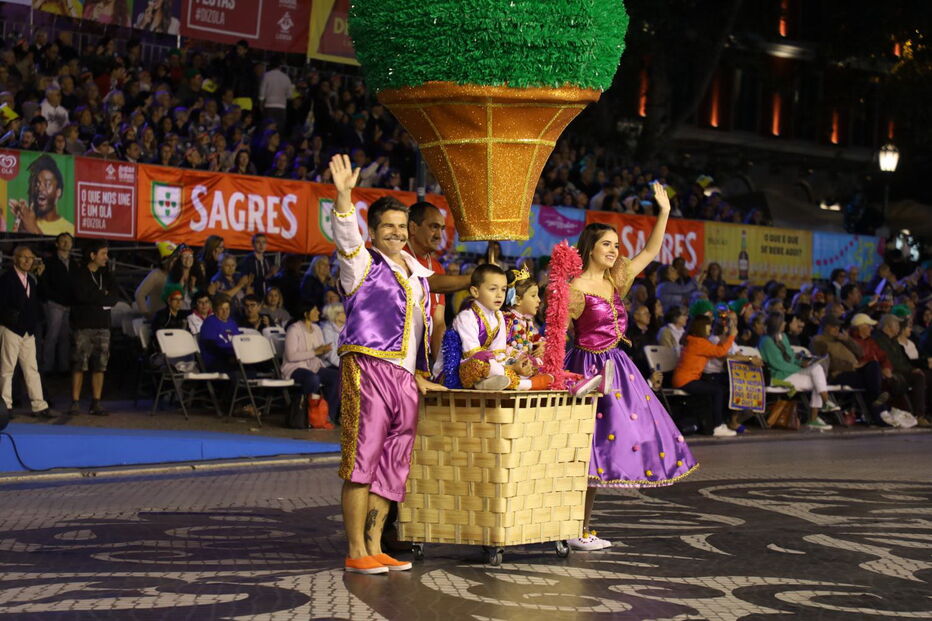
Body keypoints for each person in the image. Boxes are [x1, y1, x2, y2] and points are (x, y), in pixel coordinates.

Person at [563, 182, 698, 553]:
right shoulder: (574, 288)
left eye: (617, 245)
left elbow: (651, 251)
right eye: (607, 244)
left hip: (618, 369)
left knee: (603, 453)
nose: (615, 251)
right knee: (585, 451)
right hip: (587, 369)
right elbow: (558, 333)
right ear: (589, 247)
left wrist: (665, 211)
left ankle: (583, 527)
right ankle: (573, 526)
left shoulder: (615, 280)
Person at [328, 153, 445, 575]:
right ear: (373, 233)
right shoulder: (363, 265)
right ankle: (356, 548)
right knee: (363, 460)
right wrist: (344, 196)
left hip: (404, 376)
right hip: (369, 368)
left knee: (392, 464)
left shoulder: (416, 273)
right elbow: (345, 239)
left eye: (401, 226)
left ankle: (376, 545)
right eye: (387, 227)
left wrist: (419, 373)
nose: (395, 233)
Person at [452, 264, 550, 390]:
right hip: (462, 370)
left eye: (503, 290)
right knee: (482, 357)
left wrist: (514, 365)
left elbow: (499, 354)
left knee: (526, 362)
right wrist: (512, 368)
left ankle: (494, 383)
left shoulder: (498, 316)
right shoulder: (466, 317)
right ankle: (525, 384)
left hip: (494, 367)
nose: (499, 295)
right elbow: (473, 357)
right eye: (493, 289)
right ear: (475, 292)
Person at [405, 201, 470, 366]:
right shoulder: (399, 257)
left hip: (424, 359)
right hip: (398, 356)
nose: (439, 235)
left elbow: (438, 321)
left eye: (441, 228)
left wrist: (440, 365)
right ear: (413, 228)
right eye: (433, 227)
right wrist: (476, 279)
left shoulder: (437, 267)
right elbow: (430, 283)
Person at [758, 312, 839, 430]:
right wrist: (800, 368)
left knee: (817, 369)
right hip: (780, 375)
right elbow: (778, 364)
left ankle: (824, 405)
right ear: (777, 324)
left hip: (793, 371)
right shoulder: (766, 341)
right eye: (783, 322)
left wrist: (800, 363)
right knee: (818, 382)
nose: (785, 323)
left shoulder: (783, 337)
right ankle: (818, 412)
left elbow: (790, 356)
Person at [0, 246, 54, 418]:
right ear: (15, 259)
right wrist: (9, 320)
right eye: (23, 257)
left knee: (31, 369)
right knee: (7, 369)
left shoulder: (31, 279)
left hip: (28, 331)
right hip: (11, 328)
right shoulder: (6, 278)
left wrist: (42, 276)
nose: (27, 260)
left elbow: (42, 298)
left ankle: (39, 405)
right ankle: (5, 406)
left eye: (30, 258)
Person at [70, 241, 120, 417]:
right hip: (83, 324)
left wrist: (99, 297)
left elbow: (114, 297)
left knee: (100, 365)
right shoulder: (79, 274)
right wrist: (102, 296)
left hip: (103, 325)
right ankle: (75, 402)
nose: (106, 257)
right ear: (92, 255)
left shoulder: (107, 275)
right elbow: (81, 295)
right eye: (103, 254)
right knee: (79, 364)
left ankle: (96, 402)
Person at [811, 314, 888, 423]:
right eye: (834, 326)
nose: (837, 329)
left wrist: (847, 340)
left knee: (874, 365)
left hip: (854, 370)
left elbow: (860, 353)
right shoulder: (818, 340)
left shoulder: (840, 339)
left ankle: (877, 407)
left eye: (838, 326)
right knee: (872, 382)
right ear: (826, 327)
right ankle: (879, 410)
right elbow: (825, 362)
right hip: (838, 374)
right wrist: (850, 366)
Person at [671, 315, 738, 436]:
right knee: (717, 391)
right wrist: (732, 336)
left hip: (684, 379)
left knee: (715, 388)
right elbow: (720, 352)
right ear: (701, 327)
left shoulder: (693, 339)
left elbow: (717, 348)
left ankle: (713, 424)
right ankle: (717, 426)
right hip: (686, 380)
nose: (710, 328)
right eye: (708, 325)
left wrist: (727, 334)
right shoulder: (698, 342)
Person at [281, 304, 341, 429]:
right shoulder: (294, 329)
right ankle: (308, 416)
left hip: (313, 366)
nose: (318, 312)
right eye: (315, 310)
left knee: (337, 377)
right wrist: (315, 352)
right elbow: (291, 356)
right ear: (306, 313)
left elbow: (319, 354)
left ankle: (327, 416)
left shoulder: (317, 329)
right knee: (312, 379)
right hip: (295, 367)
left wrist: (325, 351)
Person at [40, 232, 77, 374]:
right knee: (52, 336)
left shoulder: (74, 263)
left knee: (65, 337)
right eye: (63, 241)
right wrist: (51, 297)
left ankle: (64, 367)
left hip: (68, 304)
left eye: (69, 241)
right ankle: (47, 367)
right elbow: (44, 283)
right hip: (54, 303)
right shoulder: (50, 262)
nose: (66, 243)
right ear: (57, 244)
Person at [9, 154, 73, 235]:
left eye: (47, 184)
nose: (40, 188)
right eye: (37, 184)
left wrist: (32, 227)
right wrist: (20, 225)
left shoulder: (70, 229)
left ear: (58, 192)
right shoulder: (27, 220)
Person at [198, 294, 241, 373]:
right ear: (214, 310)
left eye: (227, 309)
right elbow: (210, 347)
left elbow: (239, 343)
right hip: (216, 361)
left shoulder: (232, 323)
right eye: (221, 309)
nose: (225, 312)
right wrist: (228, 356)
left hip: (234, 358)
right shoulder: (209, 323)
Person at [238, 233, 275, 297]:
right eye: (258, 242)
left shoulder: (268, 260)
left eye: (264, 242)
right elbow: (246, 282)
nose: (261, 245)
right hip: (253, 296)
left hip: (267, 296)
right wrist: (266, 277)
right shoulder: (248, 260)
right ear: (253, 244)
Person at [320, 302, 345, 370]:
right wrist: (347, 366)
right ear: (335, 315)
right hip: (330, 365)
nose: (347, 313)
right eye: (343, 312)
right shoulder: (326, 330)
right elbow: (331, 356)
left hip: (346, 363)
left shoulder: (347, 328)